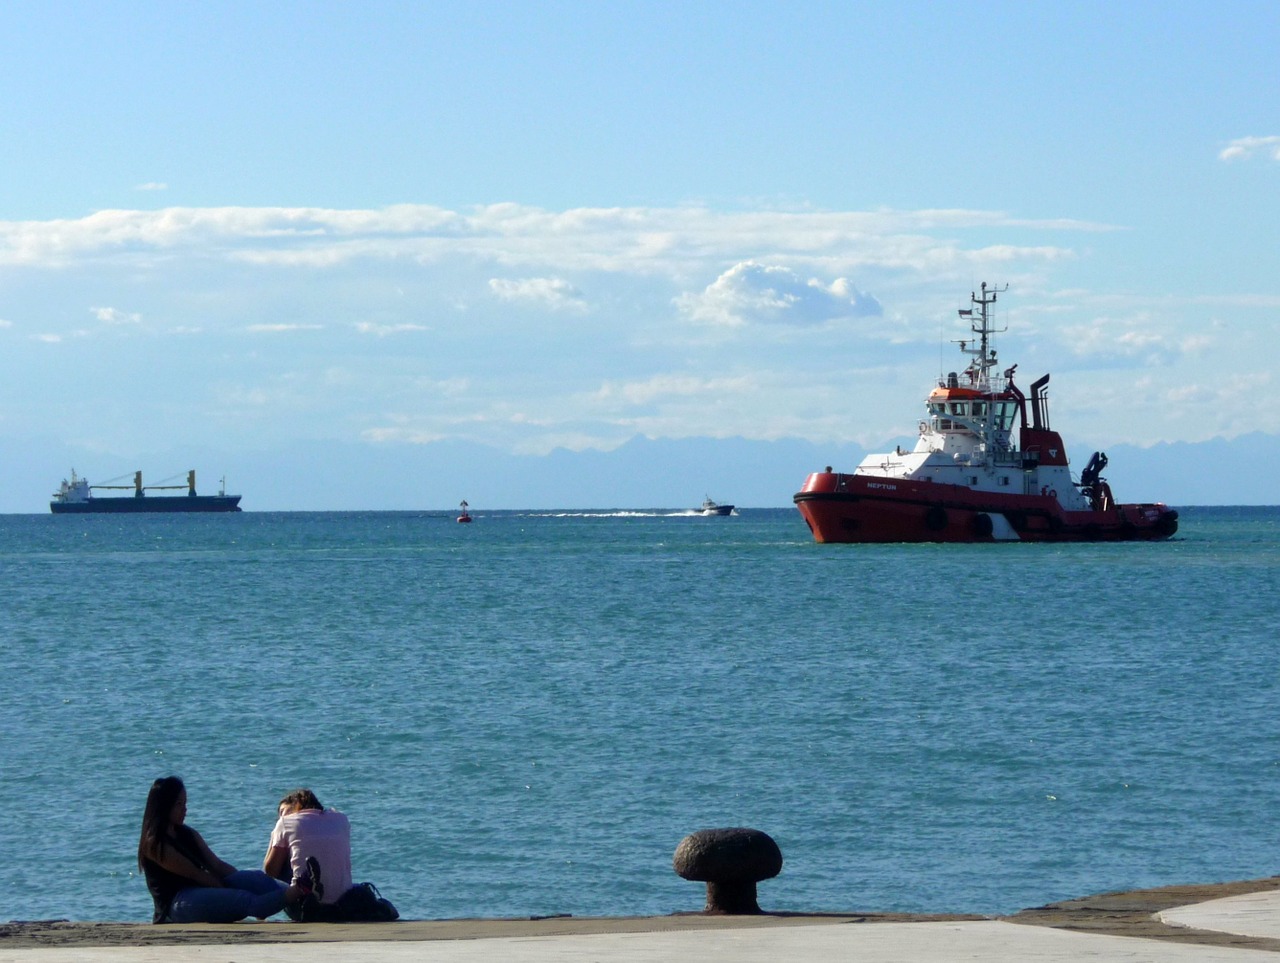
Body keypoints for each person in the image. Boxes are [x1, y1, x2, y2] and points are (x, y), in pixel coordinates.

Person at [137, 776, 312, 924]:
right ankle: (297, 890)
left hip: (203, 887)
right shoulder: (155, 844)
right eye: (179, 804)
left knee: (257, 878)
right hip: (177, 904)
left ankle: (307, 893)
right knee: (242, 899)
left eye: (185, 803)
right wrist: (229, 890)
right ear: (165, 806)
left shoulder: (188, 833)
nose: (185, 809)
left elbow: (216, 865)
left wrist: (238, 879)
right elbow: (196, 875)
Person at [264, 788, 354, 919]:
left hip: (302, 906)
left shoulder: (285, 823)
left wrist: (274, 837)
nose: (283, 817)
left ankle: (307, 891)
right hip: (344, 903)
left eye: (284, 813)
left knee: (280, 867)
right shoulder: (341, 819)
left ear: (297, 807)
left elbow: (270, 872)